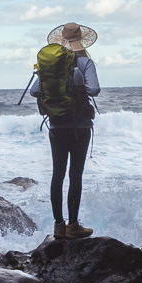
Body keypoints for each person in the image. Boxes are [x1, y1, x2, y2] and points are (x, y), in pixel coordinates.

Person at [30, 21, 101, 239]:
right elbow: (95, 90)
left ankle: (58, 226)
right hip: (80, 126)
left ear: (61, 40)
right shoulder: (85, 62)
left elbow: (34, 91)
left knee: (57, 174)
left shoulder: (50, 65)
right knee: (75, 174)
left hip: (56, 125)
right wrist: (78, 88)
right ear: (81, 40)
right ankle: (73, 225)